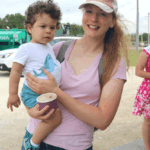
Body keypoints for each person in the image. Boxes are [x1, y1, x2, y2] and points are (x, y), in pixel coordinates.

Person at [23, 0, 130, 149]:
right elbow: (31, 84)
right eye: (89, 11)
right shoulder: (58, 49)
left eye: (102, 14)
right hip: (33, 139)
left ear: (112, 21)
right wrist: (30, 110)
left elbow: (103, 120)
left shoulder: (114, 63)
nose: (93, 19)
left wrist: (56, 92)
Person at [7, 1, 62, 149]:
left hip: (47, 92)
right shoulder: (26, 48)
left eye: (52, 27)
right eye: (43, 26)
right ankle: (31, 143)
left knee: (54, 116)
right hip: (32, 93)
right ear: (30, 28)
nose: (48, 31)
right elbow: (15, 71)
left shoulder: (49, 47)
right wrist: (13, 94)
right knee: (55, 117)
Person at [132, 46, 150, 150]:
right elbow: (138, 71)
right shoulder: (147, 52)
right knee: (148, 120)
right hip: (149, 91)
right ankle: (147, 147)